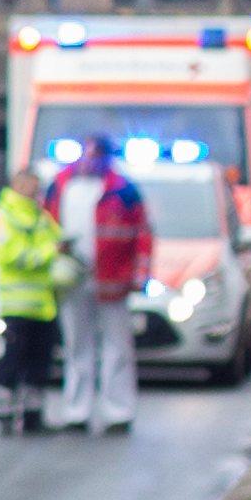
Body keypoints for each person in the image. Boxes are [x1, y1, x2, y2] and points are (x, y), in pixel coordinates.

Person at [50, 147, 152, 435]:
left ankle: (117, 410)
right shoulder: (61, 185)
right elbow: (46, 223)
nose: (89, 162)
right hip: (72, 278)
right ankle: (76, 410)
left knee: (117, 348)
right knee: (75, 346)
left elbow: (142, 233)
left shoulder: (122, 189)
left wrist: (139, 274)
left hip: (112, 279)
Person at [0, 163, 64, 435]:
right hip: (13, 304)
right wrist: (50, 253)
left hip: (43, 305)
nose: (35, 190)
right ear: (17, 184)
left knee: (39, 363)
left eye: (37, 185)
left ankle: (33, 415)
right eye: (30, 184)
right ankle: (5, 413)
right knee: (12, 360)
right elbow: (10, 255)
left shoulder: (39, 215)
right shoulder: (2, 216)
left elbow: (56, 238)